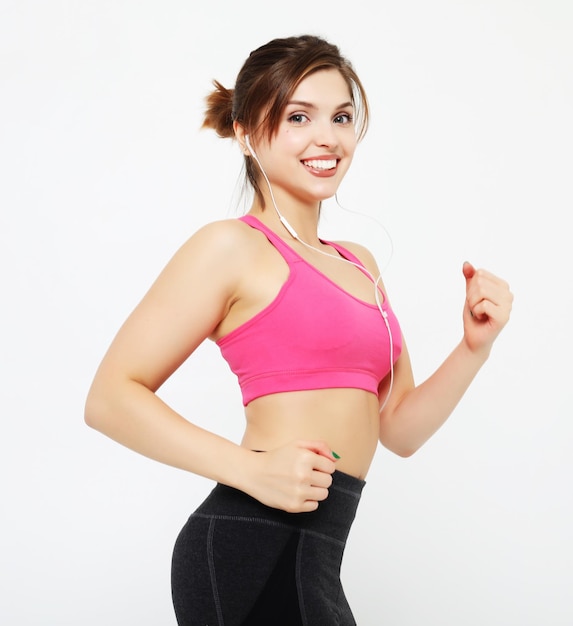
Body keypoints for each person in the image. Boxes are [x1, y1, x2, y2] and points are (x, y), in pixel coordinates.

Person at [84, 34, 513, 625]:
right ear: (245, 131)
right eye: (298, 117)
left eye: (341, 117)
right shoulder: (230, 247)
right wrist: (248, 468)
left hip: (317, 554)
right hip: (248, 545)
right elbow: (110, 398)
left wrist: (473, 348)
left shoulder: (360, 262)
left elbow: (400, 429)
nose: (327, 138)